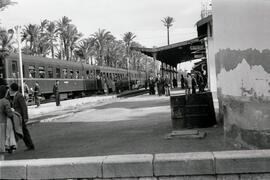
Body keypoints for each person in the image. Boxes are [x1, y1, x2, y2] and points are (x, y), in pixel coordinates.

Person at [9, 83, 35, 151]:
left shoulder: (19, 96)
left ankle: (30, 145)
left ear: (12, 89)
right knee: (23, 132)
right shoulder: (16, 95)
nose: (9, 90)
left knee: (24, 132)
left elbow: (24, 107)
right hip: (18, 117)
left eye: (10, 88)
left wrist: (25, 117)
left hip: (21, 117)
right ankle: (30, 145)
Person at [0, 85, 15, 153]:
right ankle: (8, 146)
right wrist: (12, 114)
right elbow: (9, 113)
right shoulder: (5, 101)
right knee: (8, 133)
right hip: (4, 121)